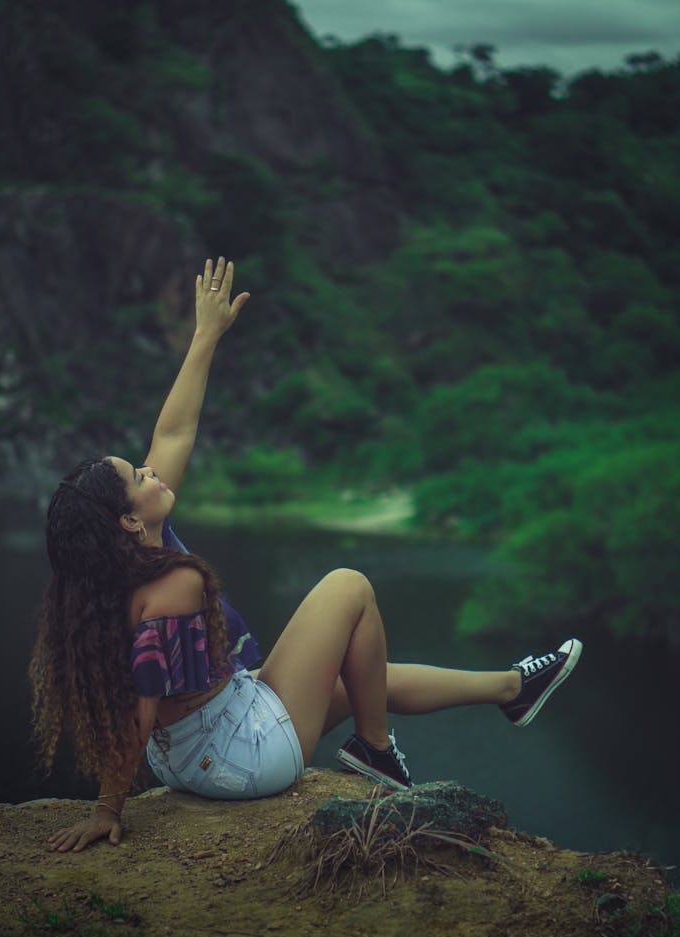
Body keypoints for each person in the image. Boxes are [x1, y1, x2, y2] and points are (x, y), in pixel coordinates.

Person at [30, 256, 582, 854]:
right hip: (235, 752)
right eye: (139, 475)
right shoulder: (175, 587)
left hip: (204, 739)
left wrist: (205, 336)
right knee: (348, 586)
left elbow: (173, 435)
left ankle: (509, 690)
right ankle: (377, 754)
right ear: (129, 519)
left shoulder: (134, 558)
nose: (151, 469)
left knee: (368, 675)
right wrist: (109, 808)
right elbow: (141, 704)